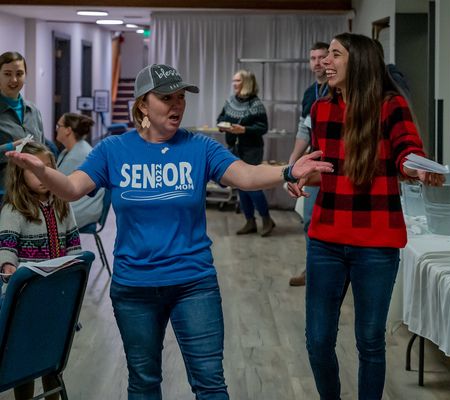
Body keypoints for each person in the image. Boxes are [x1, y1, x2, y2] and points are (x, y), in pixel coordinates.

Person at [6, 63, 333, 400]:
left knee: (210, 384)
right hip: (134, 287)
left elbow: (246, 175)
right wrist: (43, 171)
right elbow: (72, 188)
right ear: (143, 105)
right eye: (166, 98)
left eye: (181, 97)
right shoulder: (113, 149)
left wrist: (289, 171)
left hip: (193, 284)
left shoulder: (200, 147)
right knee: (144, 382)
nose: (177, 105)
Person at [287, 33, 445, 400]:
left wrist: (417, 168)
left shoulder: (390, 106)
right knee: (317, 341)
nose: (325, 62)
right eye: (326, 55)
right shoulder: (321, 109)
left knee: (370, 341)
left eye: (335, 55)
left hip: (376, 243)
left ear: (358, 61)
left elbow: (407, 150)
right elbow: (327, 166)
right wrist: (301, 176)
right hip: (326, 240)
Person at [0, 142, 81, 400]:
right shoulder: (13, 209)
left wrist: (75, 272)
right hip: (27, 300)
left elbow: (74, 245)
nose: (41, 174)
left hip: (58, 297)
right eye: (34, 170)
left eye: (46, 168)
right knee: (24, 363)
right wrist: (8, 266)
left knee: (52, 359)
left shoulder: (62, 204)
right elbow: (6, 247)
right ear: (19, 174)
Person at [288, 41, 329, 287]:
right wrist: (292, 162)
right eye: (313, 58)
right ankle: (313, 269)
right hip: (314, 164)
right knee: (310, 220)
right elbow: (304, 129)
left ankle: (331, 271)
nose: (317, 63)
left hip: (336, 165)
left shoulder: (339, 90)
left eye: (322, 57)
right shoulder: (309, 93)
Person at [217, 69, 275, 237]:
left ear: (247, 83)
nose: (234, 84)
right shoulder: (230, 101)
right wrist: (223, 126)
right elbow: (220, 119)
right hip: (234, 148)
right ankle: (250, 221)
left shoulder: (255, 104)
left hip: (252, 149)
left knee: (252, 186)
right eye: (233, 81)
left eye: (237, 81)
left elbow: (263, 128)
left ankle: (267, 219)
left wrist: (244, 130)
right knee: (240, 185)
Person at [0, 52, 45, 189]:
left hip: (32, 191)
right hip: (4, 191)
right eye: (7, 74)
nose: (14, 80)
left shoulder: (33, 110)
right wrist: (11, 147)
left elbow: (42, 148)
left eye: (19, 74)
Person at [55, 112, 105, 228]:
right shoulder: (71, 150)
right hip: (82, 207)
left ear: (68, 130)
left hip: (79, 210)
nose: (56, 129)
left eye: (59, 126)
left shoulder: (76, 156)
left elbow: (57, 187)